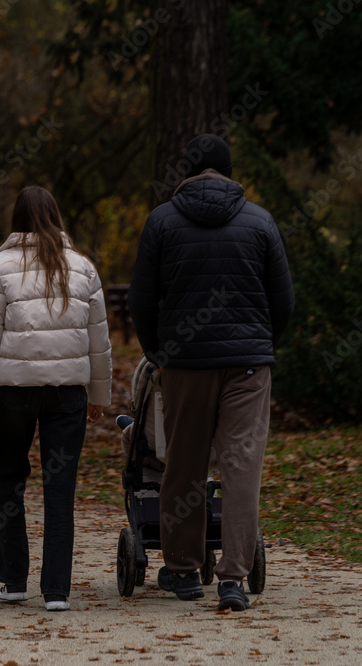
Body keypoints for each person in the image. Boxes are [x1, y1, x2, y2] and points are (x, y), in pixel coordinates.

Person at [128, 134, 294, 612]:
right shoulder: (260, 221)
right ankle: (233, 578)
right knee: (241, 467)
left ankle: (182, 570)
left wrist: (158, 352)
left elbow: (141, 299)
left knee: (184, 462)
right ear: (228, 171)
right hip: (247, 367)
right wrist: (259, 344)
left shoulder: (162, 221)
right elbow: (283, 300)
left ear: (187, 172)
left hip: (185, 363)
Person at [0, 185, 112, 612]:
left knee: (8, 475)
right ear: (56, 216)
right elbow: (98, 340)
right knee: (60, 485)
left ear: (17, 219)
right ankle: (57, 591)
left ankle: (14, 580)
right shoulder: (83, 267)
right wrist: (99, 395)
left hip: (15, 392)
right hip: (68, 394)